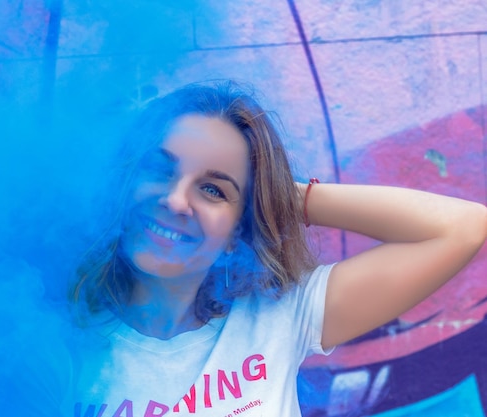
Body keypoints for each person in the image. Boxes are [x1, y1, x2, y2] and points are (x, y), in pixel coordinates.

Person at [64, 81, 487, 416]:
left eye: (213, 189)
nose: (176, 201)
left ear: (237, 228)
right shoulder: (55, 339)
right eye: (160, 169)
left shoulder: (280, 315)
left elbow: (463, 228)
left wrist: (285, 195)